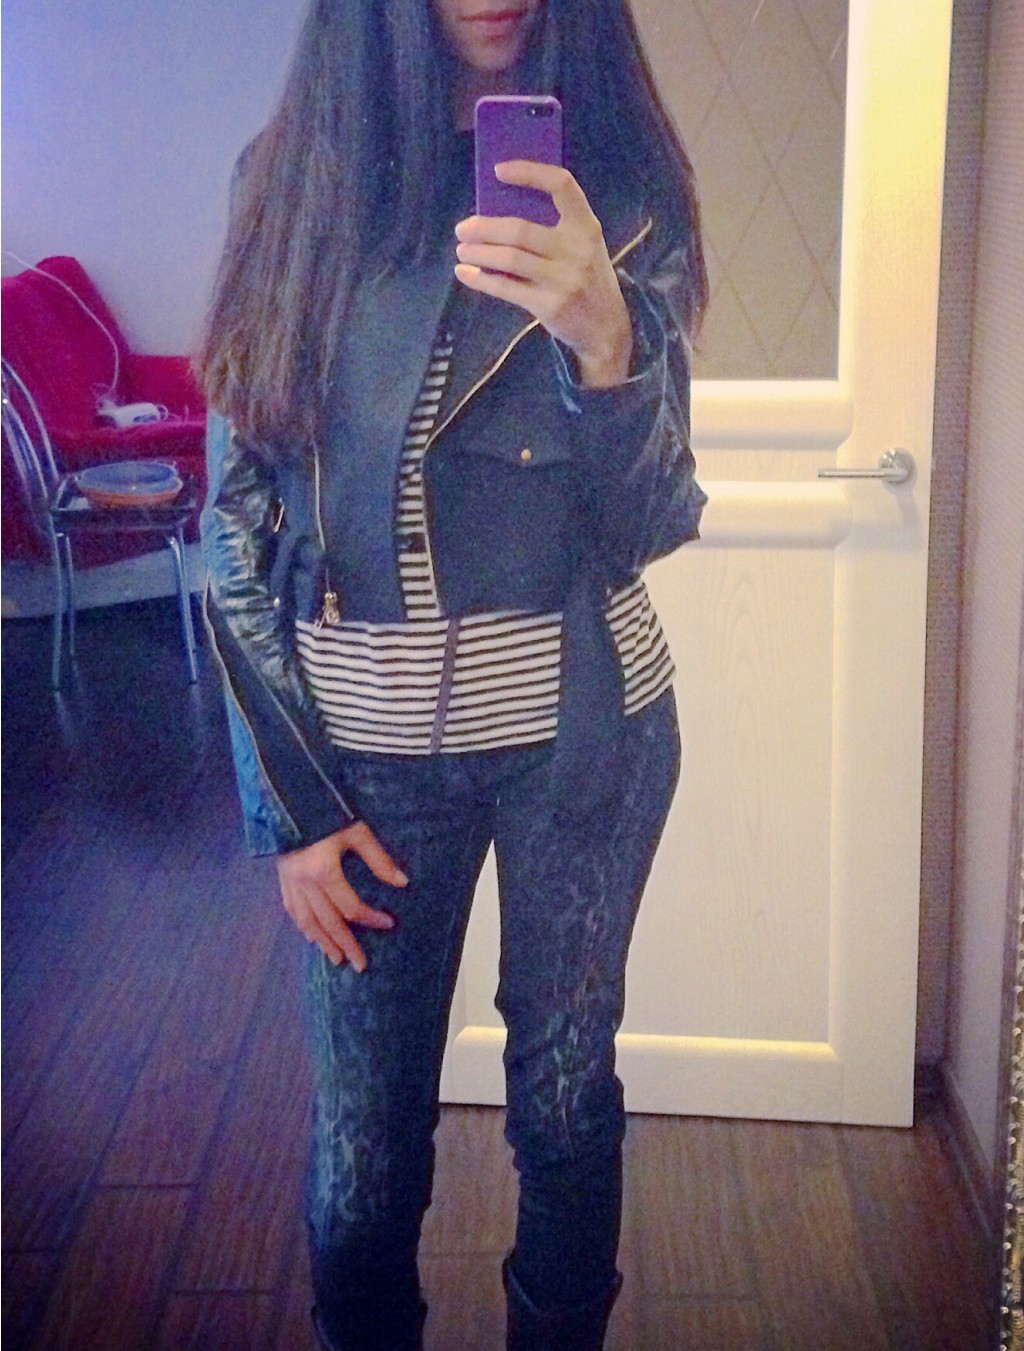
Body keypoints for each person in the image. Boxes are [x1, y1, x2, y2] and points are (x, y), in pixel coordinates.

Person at [197, 1, 708, 1346]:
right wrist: (292, 810)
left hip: (583, 737)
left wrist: (608, 345)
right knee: (365, 1156)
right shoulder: (290, 177)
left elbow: (654, 520)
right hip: (359, 767)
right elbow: (235, 523)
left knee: (564, 1102)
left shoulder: (627, 192)